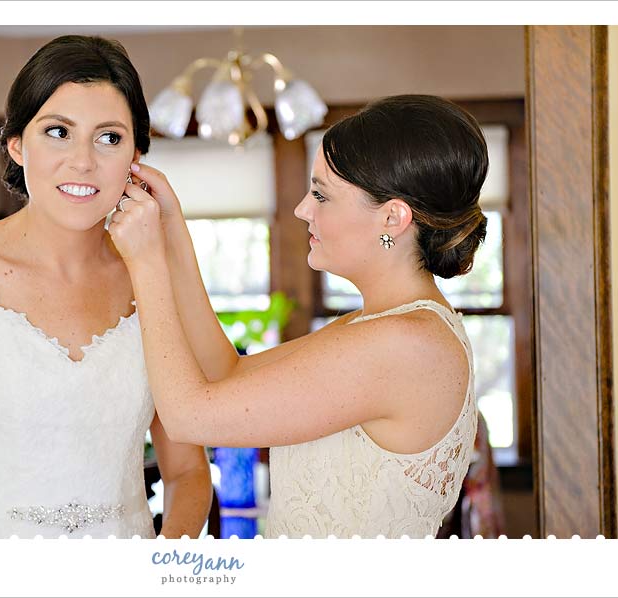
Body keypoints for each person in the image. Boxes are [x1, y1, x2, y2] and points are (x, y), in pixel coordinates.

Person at [0, 36, 212, 539]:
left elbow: (188, 474)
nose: (83, 161)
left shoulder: (153, 277)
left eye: (109, 137)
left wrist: (158, 568)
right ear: (17, 145)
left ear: (136, 156)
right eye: (58, 132)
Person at [109, 95, 487, 538]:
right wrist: (172, 231)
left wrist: (145, 263)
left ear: (392, 217)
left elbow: (188, 417)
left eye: (321, 195)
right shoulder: (376, 327)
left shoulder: (405, 344)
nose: (302, 209)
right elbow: (225, 372)